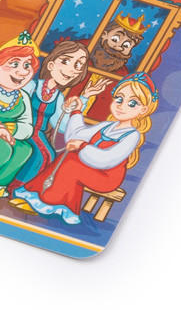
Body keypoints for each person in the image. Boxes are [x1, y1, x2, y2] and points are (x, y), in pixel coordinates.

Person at [18, 75, 157, 227]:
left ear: (143, 109)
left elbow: (108, 159)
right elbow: (75, 135)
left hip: (106, 176)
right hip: (90, 168)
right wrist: (77, 111)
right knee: (70, 157)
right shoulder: (107, 126)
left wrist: (83, 146)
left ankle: (47, 203)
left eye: (132, 103)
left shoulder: (132, 135)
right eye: (119, 99)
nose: (121, 106)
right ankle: (36, 195)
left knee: (72, 163)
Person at [13, 38, 110, 190]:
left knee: (49, 155)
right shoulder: (32, 86)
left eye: (78, 65)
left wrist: (84, 98)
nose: (72, 69)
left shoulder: (58, 97)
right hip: (21, 127)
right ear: (51, 65)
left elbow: (62, 125)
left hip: (39, 134)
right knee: (39, 154)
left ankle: (23, 188)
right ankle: (16, 186)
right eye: (66, 61)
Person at [0, 32, 39, 197]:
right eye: (14, 63)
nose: (22, 72)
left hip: (10, 134)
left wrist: (11, 129)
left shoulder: (22, 97)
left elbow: (27, 126)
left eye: (27, 65)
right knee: (4, 149)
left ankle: (1, 183)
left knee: (25, 149)